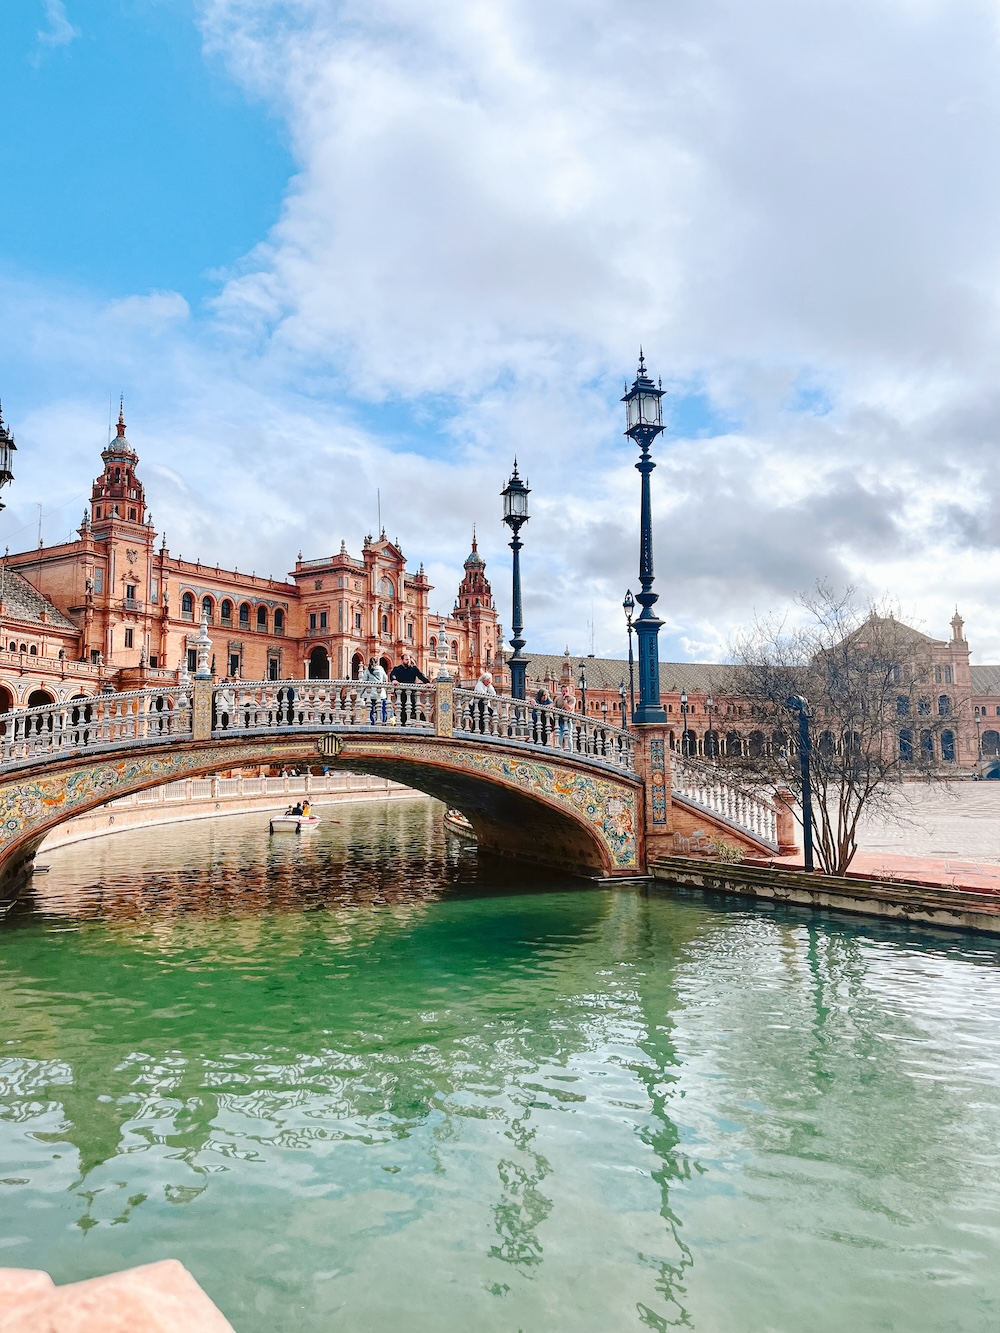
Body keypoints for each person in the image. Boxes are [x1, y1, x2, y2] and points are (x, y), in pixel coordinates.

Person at [389, 651, 430, 725]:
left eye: (409, 659)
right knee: (402, 710)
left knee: (415, 708)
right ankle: (402, 726)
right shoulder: (397, 669)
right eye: (406, 659)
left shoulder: (413, 669)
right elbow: (393, 675)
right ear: (402, 660)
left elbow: (421, 676)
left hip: (412, 694)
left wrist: (427, 682)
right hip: (401, 694)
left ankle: (423, 724)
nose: (408, 661)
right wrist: (394, 680)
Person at [362, 655, 389, 724]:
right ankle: (383, 721)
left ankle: (372, 723)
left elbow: (364, 681)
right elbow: (385, 678)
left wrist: (361, 693)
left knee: (370, 710)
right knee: (383, 708)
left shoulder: (367, 670)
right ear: (377, 662)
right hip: (380, 693)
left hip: (370, 693)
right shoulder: (381, 669)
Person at [557, 684, 576, 749]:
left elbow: (569, 708)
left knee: (568, 736)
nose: (564, 692)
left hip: (568, 721)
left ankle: (570, 752)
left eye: (566, 691)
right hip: (559, 721)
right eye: (563, 691)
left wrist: (565, 700)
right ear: (561, 691)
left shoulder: (572, 699)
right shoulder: (558, 698)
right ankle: (558, 751)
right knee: (559, 737)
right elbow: (552, 705)